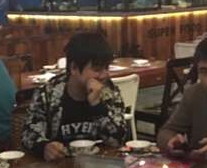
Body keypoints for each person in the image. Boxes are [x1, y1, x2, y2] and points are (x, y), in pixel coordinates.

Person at [21, 32, 127, 161]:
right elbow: (28, 134)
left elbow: (118, 140)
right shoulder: (48, 93)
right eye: (97, 69)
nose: (104, 75)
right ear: (74, 68)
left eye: (106, 68)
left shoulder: (109, 92)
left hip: (99, 164)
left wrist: (97, 105)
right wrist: (44, 147)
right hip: (58, 166)